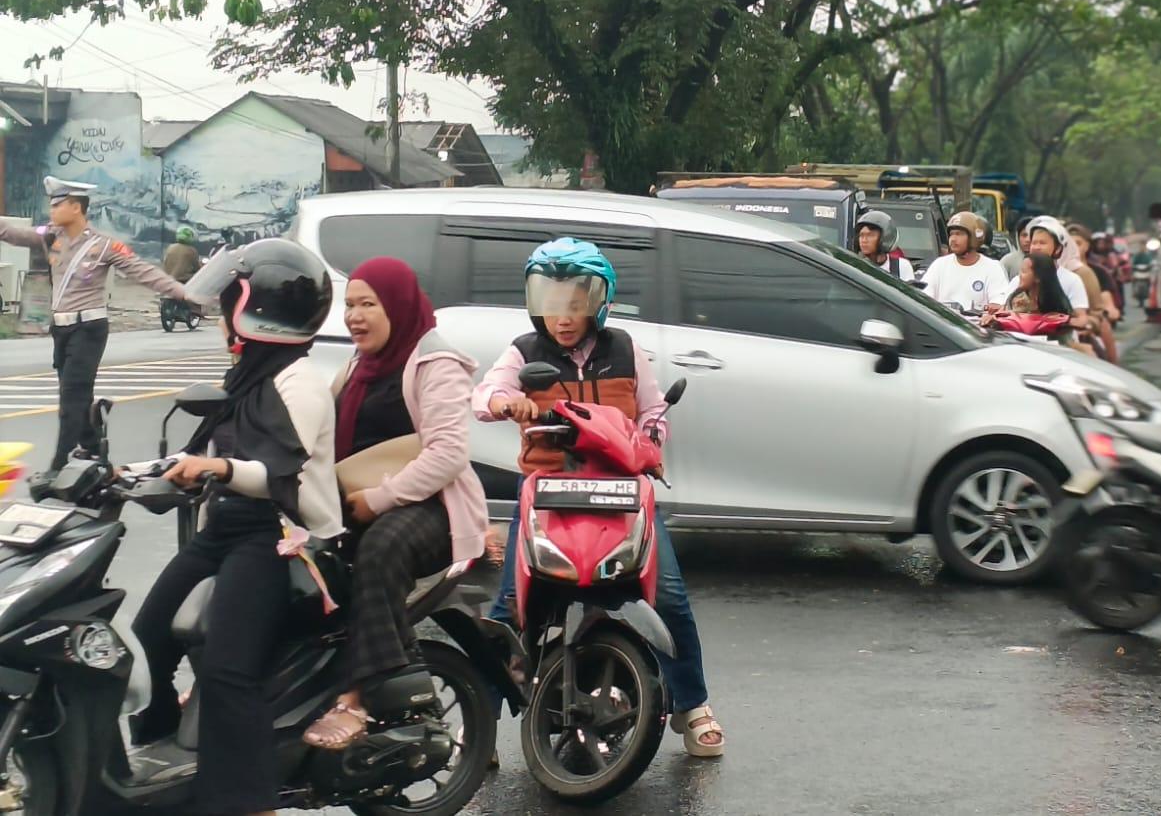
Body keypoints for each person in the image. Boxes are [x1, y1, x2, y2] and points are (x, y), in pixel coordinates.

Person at [474, 237, 726, 758]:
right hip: (547, 490)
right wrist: (507, 403)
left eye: (575, 303)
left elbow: (652, 410)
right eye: (551, 302)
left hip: (620, 490)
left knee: (669, 595)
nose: (563, 317)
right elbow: (485, 394)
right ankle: (481, 723)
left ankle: (693, 704)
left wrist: (650, 440)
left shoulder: (625, 350)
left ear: (599, 301)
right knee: (508, 606)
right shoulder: (524, 351)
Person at [130, 238, 340, 816]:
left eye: (228, 304)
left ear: (256, 309)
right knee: (147, 635)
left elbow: (278, 474)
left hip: (278, 536)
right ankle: (161, 765)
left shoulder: (299, 382)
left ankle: (252, 803)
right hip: (226, 526)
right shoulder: (246, 374)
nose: (222, 317)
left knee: (228, 669)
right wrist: (129, 473)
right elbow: (209, 453)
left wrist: (218, 469)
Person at [302, 258, 490, 749]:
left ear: (398, 306)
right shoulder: (356, 367)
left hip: (433, 508)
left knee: (380, 549)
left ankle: (358, 697)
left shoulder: (434, 364)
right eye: (349, 305)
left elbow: (447, 455)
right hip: (358, 502)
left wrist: (380, 499)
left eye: (368, 304)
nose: (354, 316)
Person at [0, 176, 191, 472]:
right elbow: (14, 234)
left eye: (57, 205)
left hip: (88, 330)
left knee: (71, 398)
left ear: (76, 208)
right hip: (61, 330)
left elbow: (143, 271)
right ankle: (93, 448)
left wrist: (185, 293)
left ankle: (59, 466)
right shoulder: (50, 237)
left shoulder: (104, 245)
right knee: (78, 396)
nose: (51, 211)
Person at [919, 211, 1009, 312]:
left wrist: (993, 308)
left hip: (976, 322)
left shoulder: (993, 268)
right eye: (951, 234)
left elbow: (998, 303)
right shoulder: (939, 265)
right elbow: (924, 297)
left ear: (974, 237)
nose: (953, 239)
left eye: (959, 234)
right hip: (941, 321)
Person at [1068, 224, 1121, 364]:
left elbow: (1105, 302)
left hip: (1090, 322)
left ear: (1087, 246)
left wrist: (1109, 311)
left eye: (1078, 243)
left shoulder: (1098, 272)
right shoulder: (1056, 269)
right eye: (1068, 244)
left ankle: (1113, 367)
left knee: (1104, 325)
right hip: (1064, 324)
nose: (1073, 249)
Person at [854, 210, 915, 280]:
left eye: (870, 235)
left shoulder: (901, 266)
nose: (864, 240)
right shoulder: (855, 267)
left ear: (885, 237)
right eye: (861, 235)